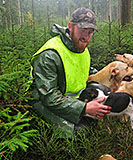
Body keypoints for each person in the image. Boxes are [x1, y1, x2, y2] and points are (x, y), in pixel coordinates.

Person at [29, 7, 111, 138]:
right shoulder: (50, 55)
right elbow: (49, 97)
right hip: (44, 102)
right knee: (80, 134)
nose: (87, 36)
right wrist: (84, 109)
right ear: (70, 26)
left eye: (90, 32)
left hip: (71, 100)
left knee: (103, 91)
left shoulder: (82, 50)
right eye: (83, 30)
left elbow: (89, 72)